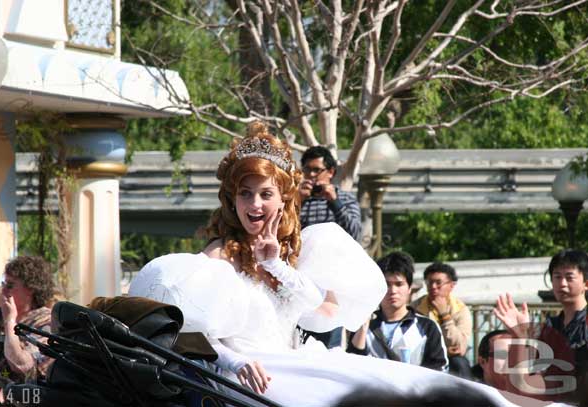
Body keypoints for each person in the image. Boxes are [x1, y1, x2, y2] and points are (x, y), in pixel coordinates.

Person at [129, 122, 529, 407]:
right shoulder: (219, 255)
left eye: (265, 193)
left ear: (283, 199)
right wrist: (236, 361)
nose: (254, 205)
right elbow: (187, 330)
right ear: (231, 199)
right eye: (244, 194)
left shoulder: (295, 250)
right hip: (252, 377)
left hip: (300, 360)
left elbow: (324, 313)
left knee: (405, 384)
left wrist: (278, 266)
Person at [494, 249, 588, 402]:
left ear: (586, 283)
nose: (562, 283)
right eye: (557, 277)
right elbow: (519, 389)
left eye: (569, 277)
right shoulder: (549, 328)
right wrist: (519, 336)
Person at [298, 146, 362, 348]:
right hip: (301, 280)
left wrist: (334, 202)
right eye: (307, 170)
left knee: (329, 339)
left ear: (331, 172)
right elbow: (282, 233)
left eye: (317, 170)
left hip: (332, 282)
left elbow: (355, 234)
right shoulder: (296, 199)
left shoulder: (345, 198)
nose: (311, 175)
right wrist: (297, 201)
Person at [348, 251, 448, 371]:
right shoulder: (364, 324)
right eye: (387, 284)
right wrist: (362, 330)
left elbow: (439, 369)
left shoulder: (427, 327)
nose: (393, 290)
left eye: (399, 284)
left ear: (409, 288)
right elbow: (352, 367)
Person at [0, 256, 55, 397]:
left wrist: (10, 321)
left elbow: (22, 365)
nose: (4, 291)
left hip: (22, 399)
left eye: (10, 285)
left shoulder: (46, 323)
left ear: (31, 288)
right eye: (3, 284)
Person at [412, 262, 472, 378]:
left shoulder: (460, 310)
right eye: (429, 282)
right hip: (423, 355)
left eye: (438, 283)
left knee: (460, 363)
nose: (433, 287)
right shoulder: (415, 307)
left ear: (451, 285)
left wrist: (445, 316)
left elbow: (458, 345)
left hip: (450, 359)